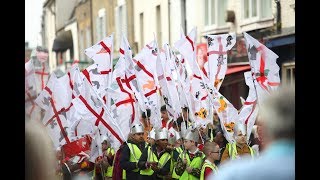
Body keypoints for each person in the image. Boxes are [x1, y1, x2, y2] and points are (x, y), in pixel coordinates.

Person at [210, 85, 295, 180]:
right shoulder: (230, 155)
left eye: (245, 135)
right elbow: (223, 163)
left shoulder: (233, 173)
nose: (243, 137)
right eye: (240, 135)